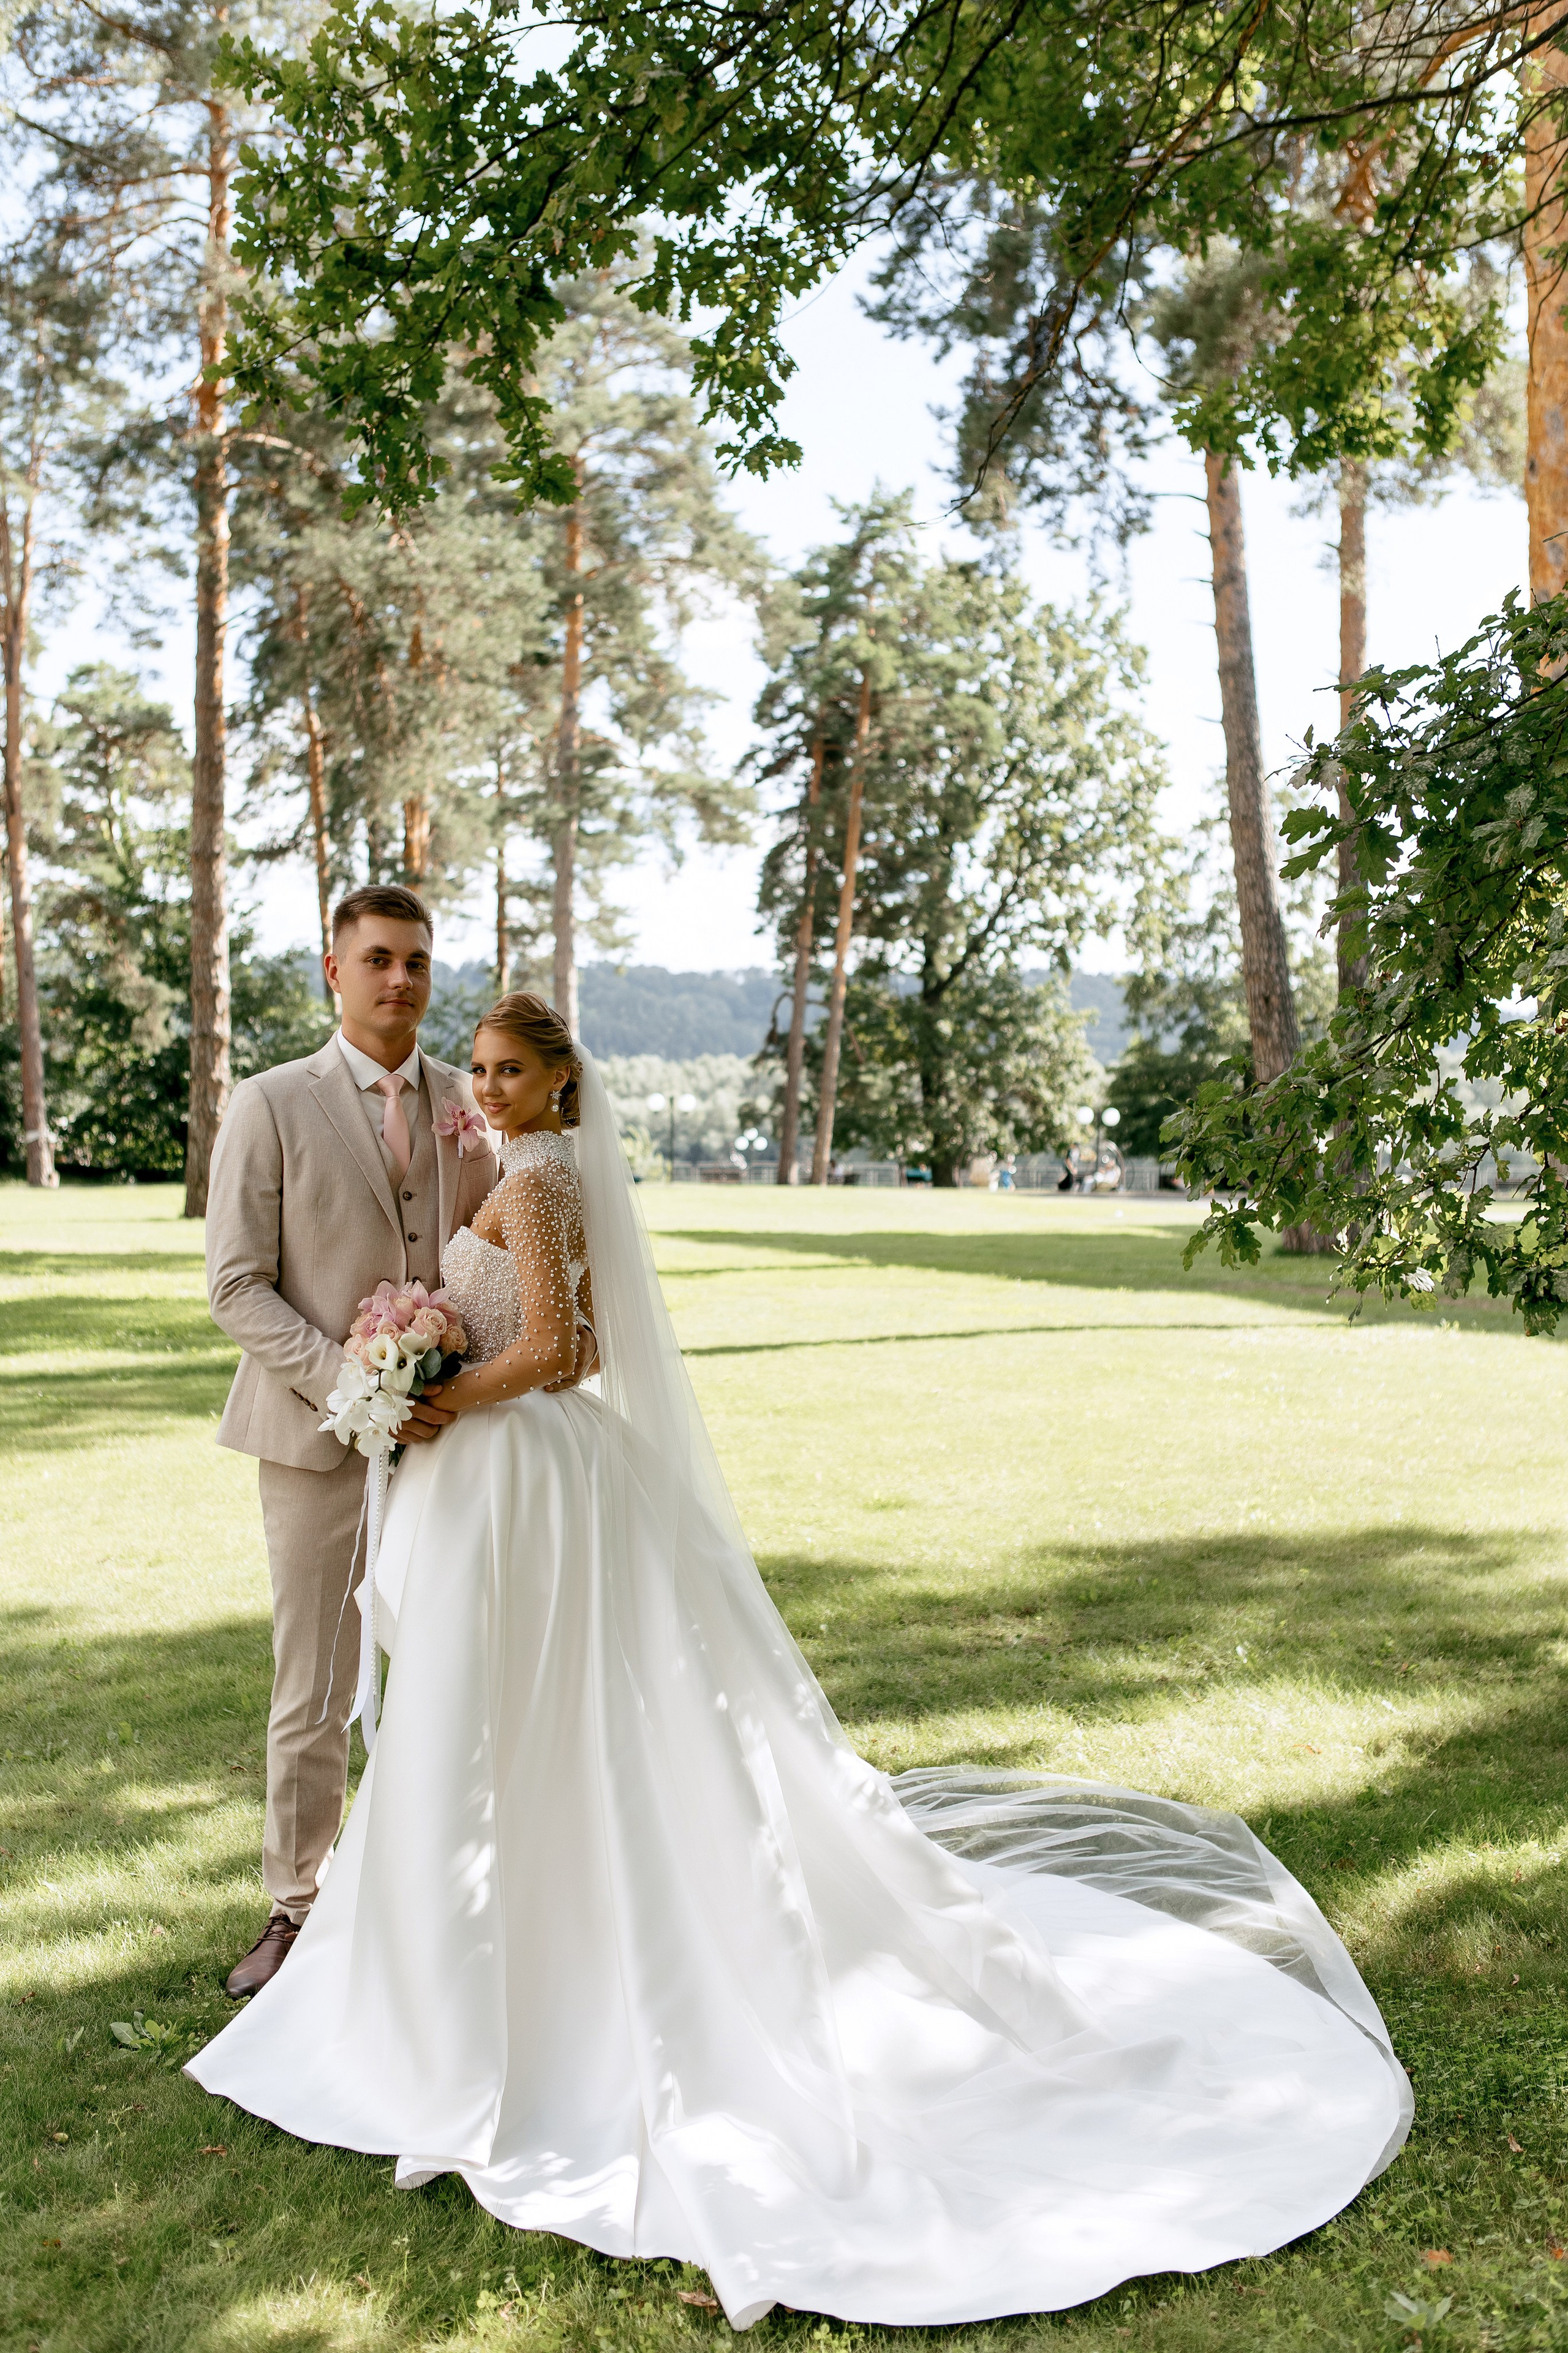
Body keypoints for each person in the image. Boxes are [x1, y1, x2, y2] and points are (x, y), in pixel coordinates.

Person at [189, 992, 1411, 2329]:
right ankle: (463, 1960)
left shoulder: (537, 1182)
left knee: (522, 1723)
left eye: (509, 1072)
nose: (485, 1090)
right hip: (505, 1478)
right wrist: (428, 1375)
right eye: (477, 1071)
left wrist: (438, 1391)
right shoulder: (526, 1169)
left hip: (514, 1465)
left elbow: (559, 1348)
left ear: (557, 1083)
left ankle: (510, 1989)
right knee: (489, 1726)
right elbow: (565, 1341)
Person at [202, 886, 503, 1998]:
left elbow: (490, 1257)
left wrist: (457, 1383)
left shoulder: (474, 1106)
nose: (401, 980)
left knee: (453, 1667)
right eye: (378, 958)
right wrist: (356, 1386)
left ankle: (435, 1895)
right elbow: (235, 1283)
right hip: (313, 1437)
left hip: (454, 1439)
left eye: (418, 961)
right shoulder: (273, 1104)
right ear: (335, 971)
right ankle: (297, 1906)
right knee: (315, 1683)